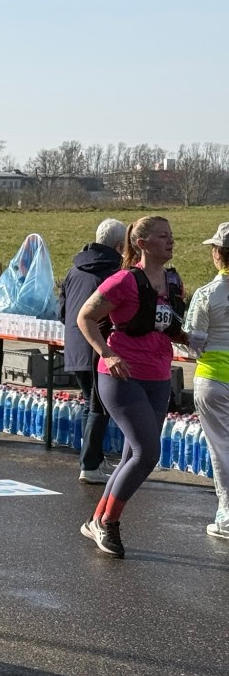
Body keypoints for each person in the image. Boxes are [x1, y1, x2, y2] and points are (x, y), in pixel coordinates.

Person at [76, 215, 191, 558]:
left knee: (131, 455)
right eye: (162, 236)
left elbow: (167, 325)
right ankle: (109, 522)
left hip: (158, 375)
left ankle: (96, 518)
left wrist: (190, 338)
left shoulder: (173, 282)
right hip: (121, 375)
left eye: (171, 235)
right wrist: (107, 353)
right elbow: (85, 317)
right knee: (147, 453)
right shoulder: (124, 280)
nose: (170, 241)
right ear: (142, 243)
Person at [59, 218, 125, 485]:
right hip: (99, 345)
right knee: (98, 406)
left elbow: (62, 310)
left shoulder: (74, 270)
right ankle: (89, 464)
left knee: (90, 401)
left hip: (74, 344)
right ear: (119, 246)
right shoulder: (113, 273)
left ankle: (93, 458)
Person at [183, 222, 229, 540]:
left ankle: (226, 516)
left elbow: (193, 343)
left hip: (213, 379)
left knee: (222, 449)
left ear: (217, 254)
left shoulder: (206, 294)